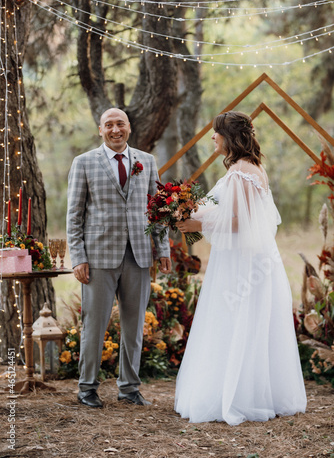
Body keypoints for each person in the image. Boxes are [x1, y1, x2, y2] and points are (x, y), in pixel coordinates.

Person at [174, 111, 307, 425]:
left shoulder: (239, 173)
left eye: (215, 133)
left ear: (229, 137)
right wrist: (198, 211)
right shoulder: (252, 168)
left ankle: (236, 396)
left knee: (235, 318)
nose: (212, 139)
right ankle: (256, 391)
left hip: (242, 263)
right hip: (255, 259)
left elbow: (240, 223)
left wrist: (196, 221)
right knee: (249, 320)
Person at [67, 108, 171, 408]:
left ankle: (129, 388)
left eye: (120, 124)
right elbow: (74, 215)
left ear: (129, 127)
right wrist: (78, 257)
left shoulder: (146, 161)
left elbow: (157, 210)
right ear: (100, 130)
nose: (115, 130)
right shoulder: (84, 162)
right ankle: (87, 388)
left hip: (139, 255)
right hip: (98, 257)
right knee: (94, 326)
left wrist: (162, 249)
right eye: (109, 125)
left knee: (134, 325)